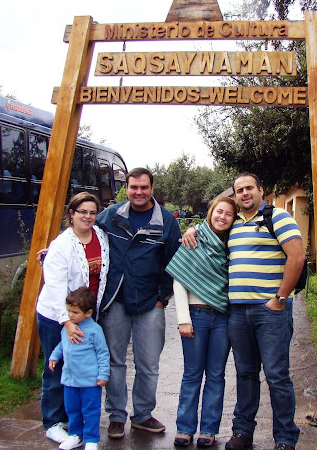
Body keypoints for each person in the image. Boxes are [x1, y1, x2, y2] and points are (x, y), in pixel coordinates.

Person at [183, 173, 306, 450]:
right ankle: (242, 433)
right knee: (245, 374)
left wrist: (280, 298)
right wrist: (191, 230)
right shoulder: (234, 224)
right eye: (239, 190)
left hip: (271, 312)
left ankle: (285, 438)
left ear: (261, 190)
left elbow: (297, 257)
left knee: (277, 376)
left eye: (249, 188)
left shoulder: (280, 218)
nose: (244, 193)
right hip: (238, 313)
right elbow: (209, 233)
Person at [96, 167, 181, 440]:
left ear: (152, 189)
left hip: (149, 303)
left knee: (148, 364)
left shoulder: (166, 221)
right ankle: (117, 416)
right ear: (127, 188)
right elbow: (83, 233)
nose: (138, 192)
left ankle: (143, 415)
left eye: (144, 187)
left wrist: (161, 298)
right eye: (133, 187)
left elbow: (174, 262)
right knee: (114, 361)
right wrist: (56, 248)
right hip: (116, 300)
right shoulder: (110, 216)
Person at [36, 192, 109, 444]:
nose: (88, 217)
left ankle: (73, 422)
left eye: (92, 212)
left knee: (78, 367)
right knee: (56, 366)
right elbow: (55, 286)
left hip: (85, 316)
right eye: (82, 212)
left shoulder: (100, 235)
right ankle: (52, 422)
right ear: (72, 214)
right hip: (56, 316)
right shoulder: (62, 244)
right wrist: (66, 322)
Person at [166, 197, 238, 448]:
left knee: (216, 375)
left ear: (233, 219)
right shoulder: (193, 239)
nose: (223, 217)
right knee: (192, 374)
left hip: (222, 317)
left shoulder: (234, 244)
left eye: (229, 214)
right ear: (211, 213)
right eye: (219, 211)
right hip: (195, 317)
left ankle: (209, 430)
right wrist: (183, 319)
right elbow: (180, 281)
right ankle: (184, 428)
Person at [49, 287, 110, 450]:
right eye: (68, 311)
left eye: (74, 312)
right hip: (70, 380)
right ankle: (75, 435)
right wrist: (54, 356)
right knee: (72, 410)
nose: (70, 315)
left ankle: (91, 439)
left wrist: (103, 374)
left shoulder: (95, 331)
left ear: (88, 313)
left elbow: (103, 353)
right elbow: (62, 344)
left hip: (90, 382)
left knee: (90, 411)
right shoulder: (67, 327)